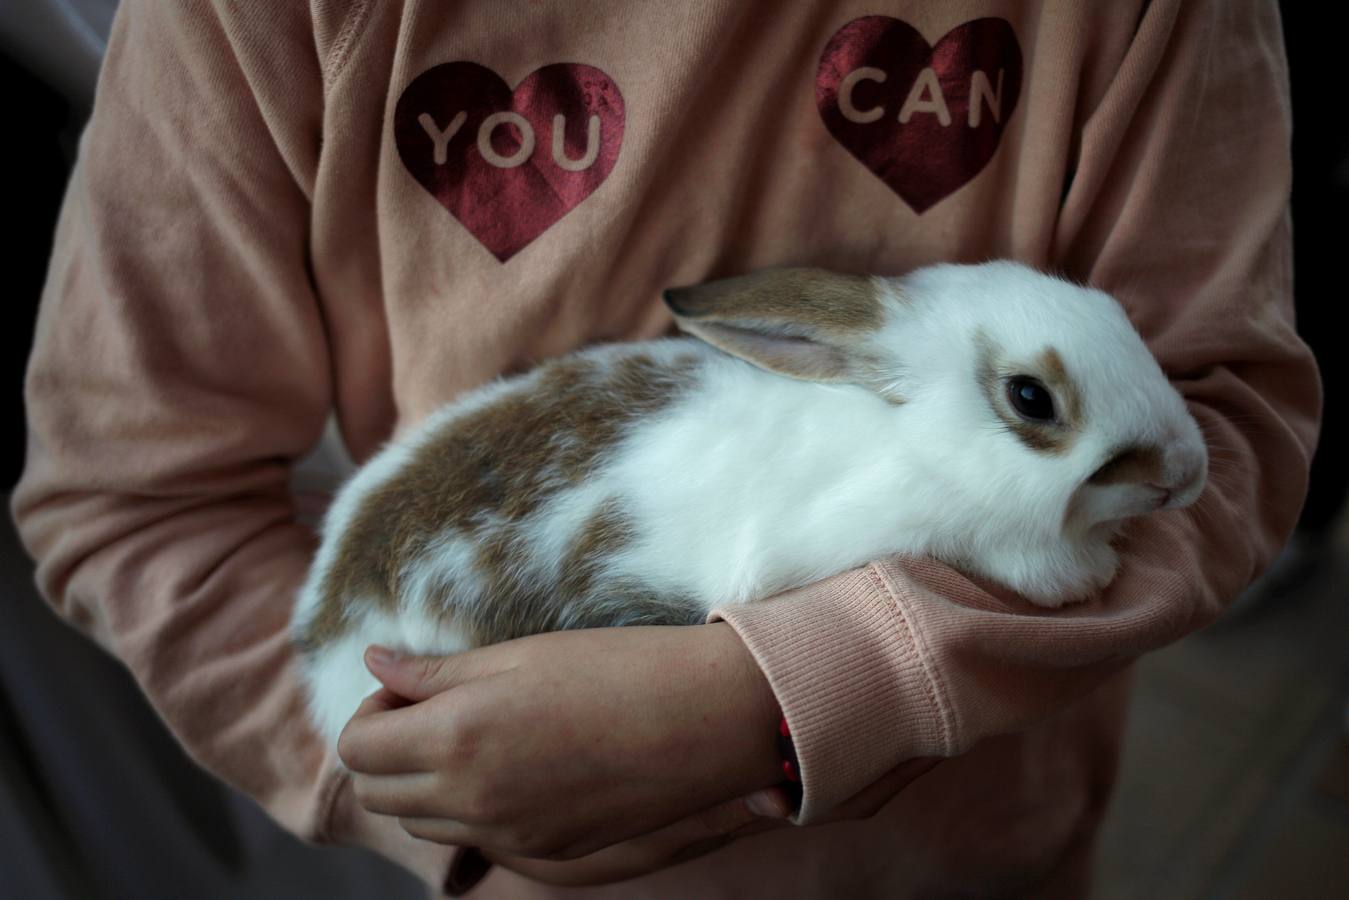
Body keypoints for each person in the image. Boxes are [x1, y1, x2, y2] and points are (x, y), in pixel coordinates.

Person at [13, 1, 1320, 896]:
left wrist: (791, 698)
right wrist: (408, 779)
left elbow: (1222, 422)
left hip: (970, 858)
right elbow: (130, 495)